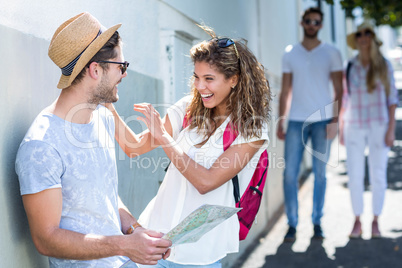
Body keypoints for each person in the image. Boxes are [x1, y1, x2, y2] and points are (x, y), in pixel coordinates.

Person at [106, 25, 271, 267]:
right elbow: (134, 147)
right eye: (196, 77)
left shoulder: (252, 130)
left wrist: (165, 138)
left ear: (233, 80)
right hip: (155, 241)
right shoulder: (187, 109)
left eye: (209, 79)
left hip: (200, 256)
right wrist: (108, 103)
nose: (199, 86)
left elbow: (206, 181)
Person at [15, 12, 171, 267]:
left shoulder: (103, 118)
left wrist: (135, 231)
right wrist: (126, 245)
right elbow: (46, 239)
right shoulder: (41, 147)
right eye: (122, 66)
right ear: (96, 69)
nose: (125, 74)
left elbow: (103, 196)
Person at [277, 7, 343, 242]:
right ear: (302, 23)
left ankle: (317, 222)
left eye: (316, 21)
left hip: (323, 121)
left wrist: (335, 119)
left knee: (320, 175)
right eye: (308, 21)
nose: (312, 25)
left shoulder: (332, 53)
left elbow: (339, 89)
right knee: (289, 175)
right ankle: (292, 224)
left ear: (321, 25)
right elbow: (285, 90)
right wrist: (281, 119)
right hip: (295, 121)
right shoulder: (290, 53)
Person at [340, 21, 398, 239]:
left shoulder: (384, 65)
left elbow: (392, 99)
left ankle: (375, 220)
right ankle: (357, 220)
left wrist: (391, 129)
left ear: (372, 37)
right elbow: (345, 99)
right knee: (354, 175)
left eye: (367, 33)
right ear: (356, 39)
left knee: (378, 175)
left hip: (379, 124)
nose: (363, 37)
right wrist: (342, 126)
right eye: (359, 34)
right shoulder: (350, 65)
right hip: (354, 125)